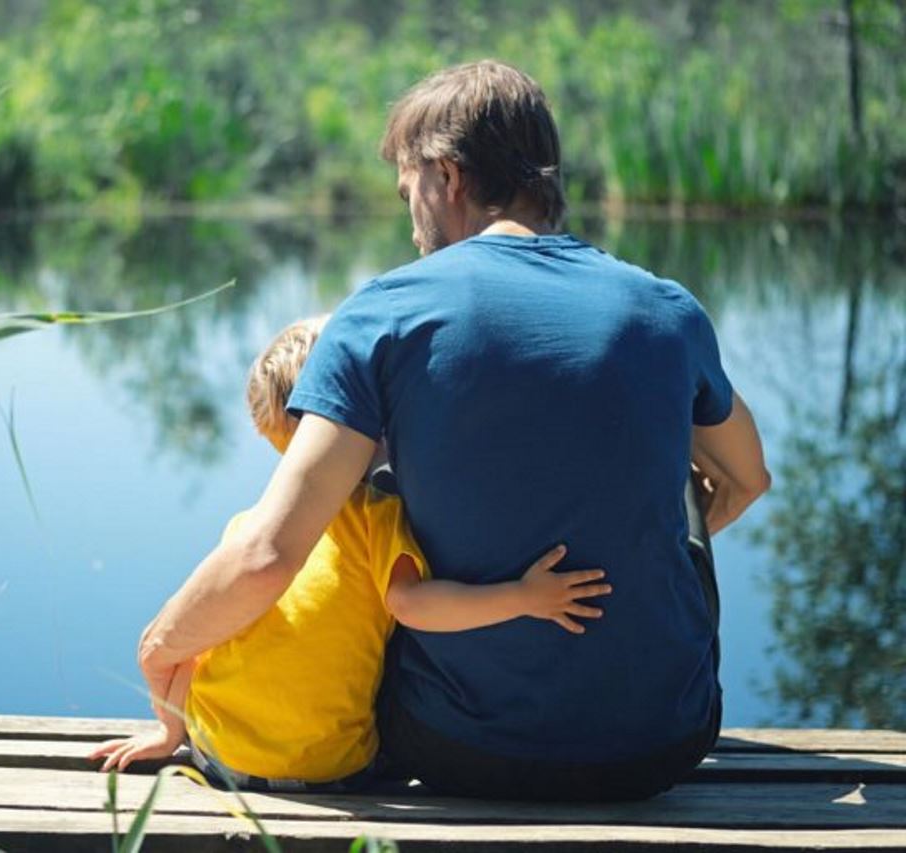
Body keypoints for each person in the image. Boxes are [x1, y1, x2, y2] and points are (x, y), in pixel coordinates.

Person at [135, 59, 770, 801]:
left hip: (456, 746)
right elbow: (747, 478)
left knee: (373, 478)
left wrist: (158, 646)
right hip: (663, 742)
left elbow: (268, 555)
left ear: (447, 176)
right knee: (682, 479)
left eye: (410, 195)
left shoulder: (384, 313)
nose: (411, 227)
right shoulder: (666, 310)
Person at [90, 316, 612, 790]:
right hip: (331, 772)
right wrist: (522, 597)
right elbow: (413, 605)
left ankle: (175, 732)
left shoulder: (250, 529)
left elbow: (194, 644)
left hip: (223, 759)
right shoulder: (376, 517)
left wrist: (168, 732)